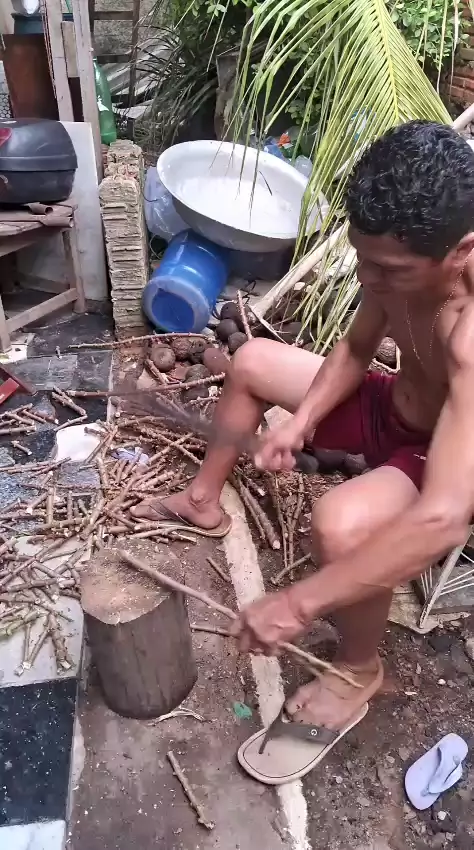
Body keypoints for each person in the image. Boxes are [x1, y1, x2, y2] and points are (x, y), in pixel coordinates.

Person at [133, 121, 474, 742]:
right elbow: (357, 347)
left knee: (340, 524)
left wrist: (294, 604)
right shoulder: (391, 267)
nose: (368, 280)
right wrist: (304, 422)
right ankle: (202, 501)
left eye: (387, 270)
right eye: (362, 259)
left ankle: (358, 670)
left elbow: (446, 517)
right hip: (391, 405)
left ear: (462, 251)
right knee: (252, 363)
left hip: (437, 453)